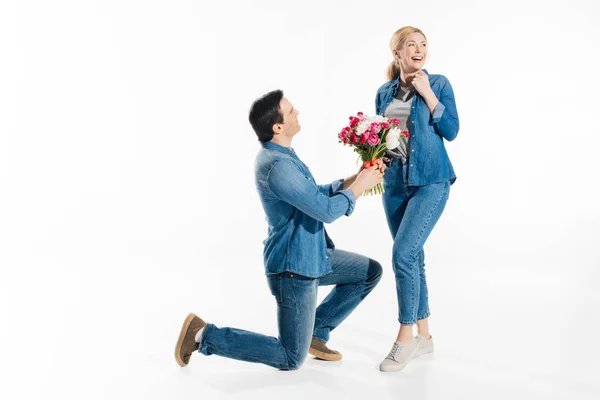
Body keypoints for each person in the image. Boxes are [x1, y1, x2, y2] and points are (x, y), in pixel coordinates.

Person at [175, 89, 385, 370]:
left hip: (314, 256)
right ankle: (203, 335)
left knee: (369, 272)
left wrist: (356, 177)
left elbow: (314, 195)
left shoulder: (284, 156)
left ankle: (315, 332)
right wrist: (361, 187)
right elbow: (325, 210)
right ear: (278, 127)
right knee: (290, 357)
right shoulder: (277, 166)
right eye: (291, 111)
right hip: (294, 269)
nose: (297, 112)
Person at [375, 27, 460, 372]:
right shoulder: (384, 92)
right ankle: (425, 336)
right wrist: (373, 157)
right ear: (397, 54)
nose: (419, 49)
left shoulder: (437, 83)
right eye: (412, 45)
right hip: (396, 185)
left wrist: (427, 95)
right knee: (414, 257)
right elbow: (386, 138)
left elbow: (452, 131)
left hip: (431, 182)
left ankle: (405, 338)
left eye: (423, 44)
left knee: (402, 254)